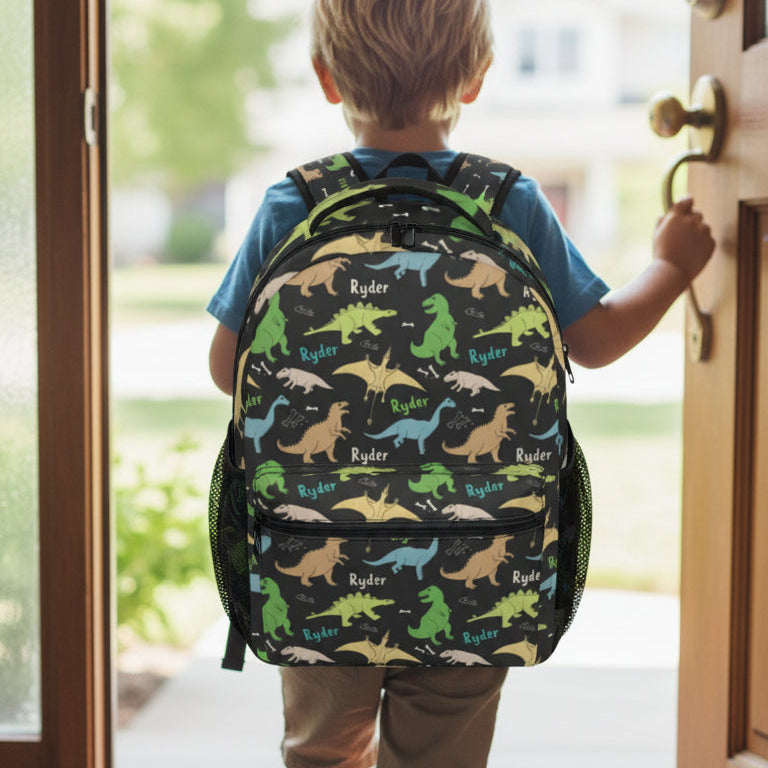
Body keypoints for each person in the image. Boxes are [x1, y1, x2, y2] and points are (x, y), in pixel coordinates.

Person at [207, 2, 715, 766]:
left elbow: (226, 369)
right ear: (477, 78)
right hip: (481, 548)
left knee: (321, 749)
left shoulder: (296, 205)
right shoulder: (506, 202)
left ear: (325, 78)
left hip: (313, 548)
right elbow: (600, 339)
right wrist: (672, 266)